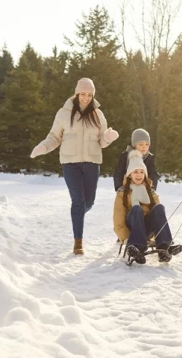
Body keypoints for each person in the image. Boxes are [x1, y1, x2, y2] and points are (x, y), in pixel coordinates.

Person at [30, 77, 119, 255]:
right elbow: (54, 137)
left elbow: (101, 141)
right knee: (78, 201)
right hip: (70, 164)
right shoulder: (64, 113)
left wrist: (108, 138)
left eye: (89, 95)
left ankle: (77, 214)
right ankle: (78, 241)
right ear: (77, 93)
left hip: (92, 163)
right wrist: (43, 147)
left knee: (89, 202)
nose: (86, 98)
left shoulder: (98, 115)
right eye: (83, 94)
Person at [113, 150, 182, 264]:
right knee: (136, 209)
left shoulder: (150, 192)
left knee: (159, 207)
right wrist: (126, 239)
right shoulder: (122, 193)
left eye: (142, 172)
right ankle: (137, 248)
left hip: (146, 230)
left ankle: (165, 247)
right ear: (129, 174)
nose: (139, 175)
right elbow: (118, 222)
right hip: (132, 231)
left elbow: (158, 218)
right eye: (135, 171)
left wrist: (156, 238)